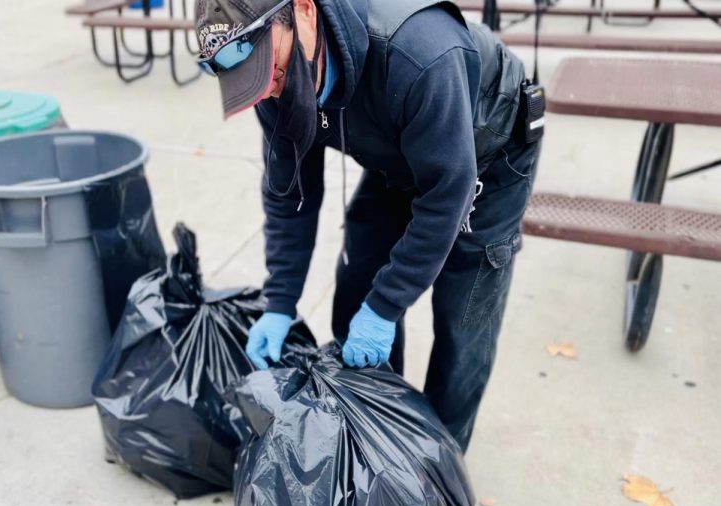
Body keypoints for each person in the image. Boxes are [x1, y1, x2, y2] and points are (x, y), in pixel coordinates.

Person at [195, 0, 542, 452]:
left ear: (303, 11)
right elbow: (289, 195)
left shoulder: (420, 53)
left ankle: (437, 469)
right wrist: (280, 301)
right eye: (248, 81)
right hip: (394, 153)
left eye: (270, 68)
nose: (265, 91)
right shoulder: (269, 84)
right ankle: (379, 448)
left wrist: (386, 306)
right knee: (358, 286)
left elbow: (446, 193)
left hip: (485, 153)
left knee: (462, 322)